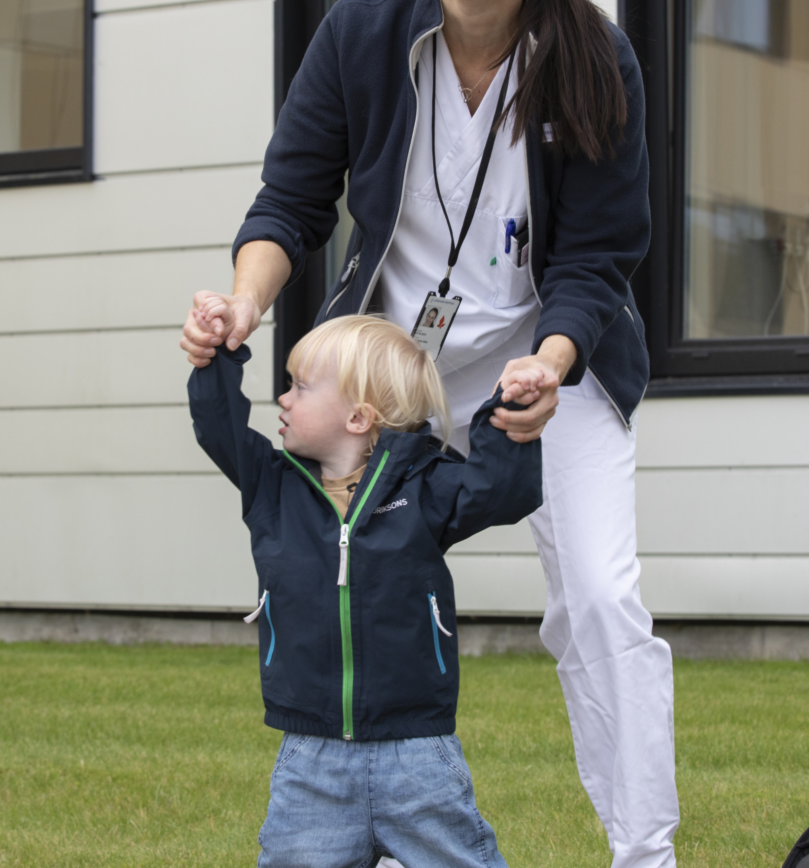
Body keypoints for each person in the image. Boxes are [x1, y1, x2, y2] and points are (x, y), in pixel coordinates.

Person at [181, 0, 680, 868]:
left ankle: (647, 857)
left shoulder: (598, 63)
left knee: (599, 597)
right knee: (335, 577)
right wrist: (245, 306)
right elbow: (290, 200)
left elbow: (597, 262)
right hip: (391, 365)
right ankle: (359, 823)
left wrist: (548, 368)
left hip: (544, 361)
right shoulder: (364, 30)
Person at [188, 313, 546, 866]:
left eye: (300, 387)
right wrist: (217, 353)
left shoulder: (423, 485)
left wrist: (509, 415)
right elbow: (219, 427)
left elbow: (500, 493)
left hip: (419, 754)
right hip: (313, 757)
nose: (283, 399)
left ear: (358, 417)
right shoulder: (272, 486)